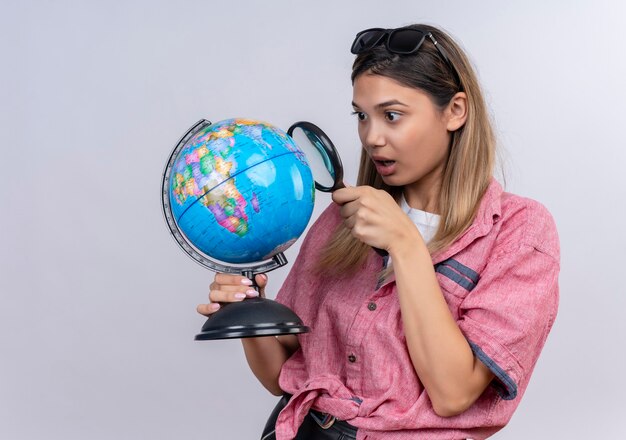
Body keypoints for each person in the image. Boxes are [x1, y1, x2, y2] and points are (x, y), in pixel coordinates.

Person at [197, 23, 560, 440]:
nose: (372, 137)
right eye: (362, 116)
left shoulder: (518, 231)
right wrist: (250, 310)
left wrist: (405, 244)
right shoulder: (342, 221)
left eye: (392, 115)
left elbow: (453, 392)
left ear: (455, 111)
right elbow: (286, 374)